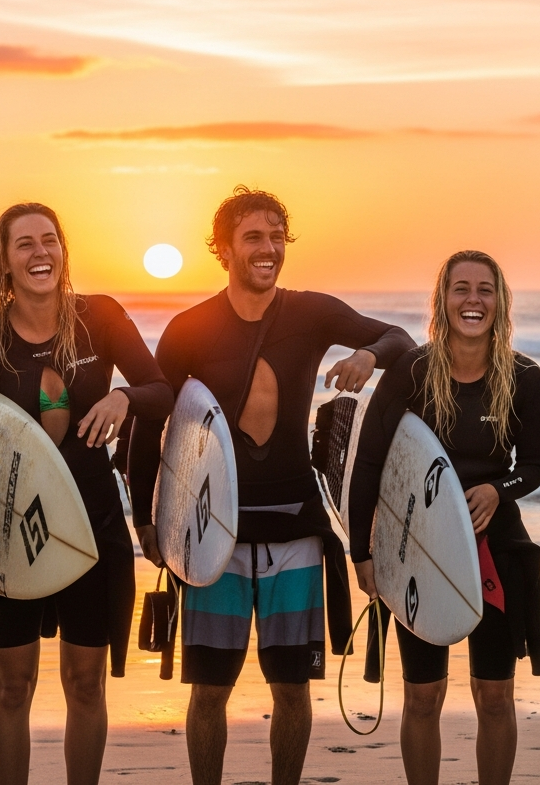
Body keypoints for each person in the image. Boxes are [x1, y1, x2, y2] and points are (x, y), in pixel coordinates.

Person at [128, 186, 414, 785]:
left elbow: (400, 342)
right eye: (253, 237)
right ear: (224, 249)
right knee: (208, 691)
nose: (268, 248)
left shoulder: (310, 313)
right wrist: (145, 519)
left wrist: (364, 354)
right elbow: (150, 422)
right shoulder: (189, 328)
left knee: (291, 689)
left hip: (295, 533)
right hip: (213, 540)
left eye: (277, 236)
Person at [0, 202, 173, 785]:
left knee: (85, 683)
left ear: (64, 250)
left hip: (90, 528)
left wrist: (124, 399)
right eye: (24, 244)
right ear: (4, 262)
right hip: (9, 535)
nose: (41, 253)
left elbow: (161, 388)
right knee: (14, 686)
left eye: (50, 240)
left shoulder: (102, 318)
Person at [348, 250, 540, 785]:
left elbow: (532, 467)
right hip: (418, 544)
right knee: (422, 695)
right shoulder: (412, 372)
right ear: (443, 300)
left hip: (495, 544)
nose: (473, 300)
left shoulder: (524, 375)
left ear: (500, 302)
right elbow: (369, 464)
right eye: (461, 288)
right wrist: (361, 553)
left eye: (485, 290)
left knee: (495, 694)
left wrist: (497, 491)